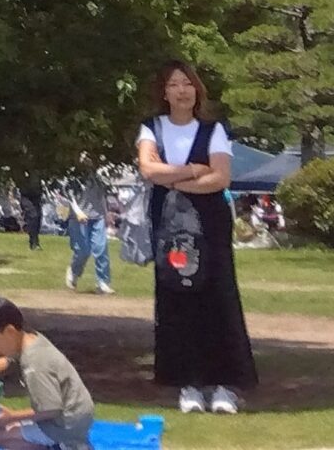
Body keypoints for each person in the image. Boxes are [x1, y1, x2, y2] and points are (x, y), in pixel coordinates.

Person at [135, 59, 254, 415]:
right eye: (174, 84)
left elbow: (219, 177)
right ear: (164, 92)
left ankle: (224, 386)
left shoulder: (214, 130)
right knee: (176, 297)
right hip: (169, 223)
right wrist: (190, 171)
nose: (182, 91)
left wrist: (173, 181)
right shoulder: (151, 128)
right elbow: (148, 169)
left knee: (218, 296)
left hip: (210, 223)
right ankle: (187, 384)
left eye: (187, 83)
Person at [0, 294, 95, 448]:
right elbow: (8, 360)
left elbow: (51, 410)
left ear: (9, 331)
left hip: (65, 424)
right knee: (8, 428)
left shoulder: (34, 365)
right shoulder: (32, 339)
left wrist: (12, 417)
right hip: (77, 414)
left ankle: (57, 446)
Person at [61, 174, 112, 295]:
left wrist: (106, 214)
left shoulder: (99, 178)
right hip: (78, 218)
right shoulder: (73, 178)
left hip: (97, 217)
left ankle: (103, 282)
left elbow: (102, 197)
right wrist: (78, 213)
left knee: (101, 249)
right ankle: (74, 271)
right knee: (83, 251)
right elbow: (70, 198)